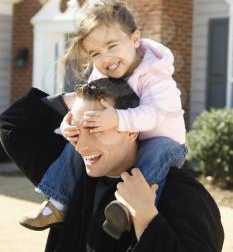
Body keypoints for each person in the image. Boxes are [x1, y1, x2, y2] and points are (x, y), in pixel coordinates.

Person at [20, 0, 187, 233]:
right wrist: (69, 124)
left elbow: (154, 115)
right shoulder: (99, 73)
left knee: (154, 152)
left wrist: (117, 119)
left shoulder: (155, 74)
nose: (105, 58)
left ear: (135, 39)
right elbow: (86, 103)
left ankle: (127, 210)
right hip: (126, 138)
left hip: (165, 141)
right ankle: (57, 203)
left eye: (112, 46)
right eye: (95, 53)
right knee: (79, 145)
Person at [0, 79, 224, 252]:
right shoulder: (69, 175)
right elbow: (12, 125)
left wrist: (146, 217)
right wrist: (82, 98)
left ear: (132, 129)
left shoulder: (184, 196)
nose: (82, 146)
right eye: (76, 130)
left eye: (95, 128)